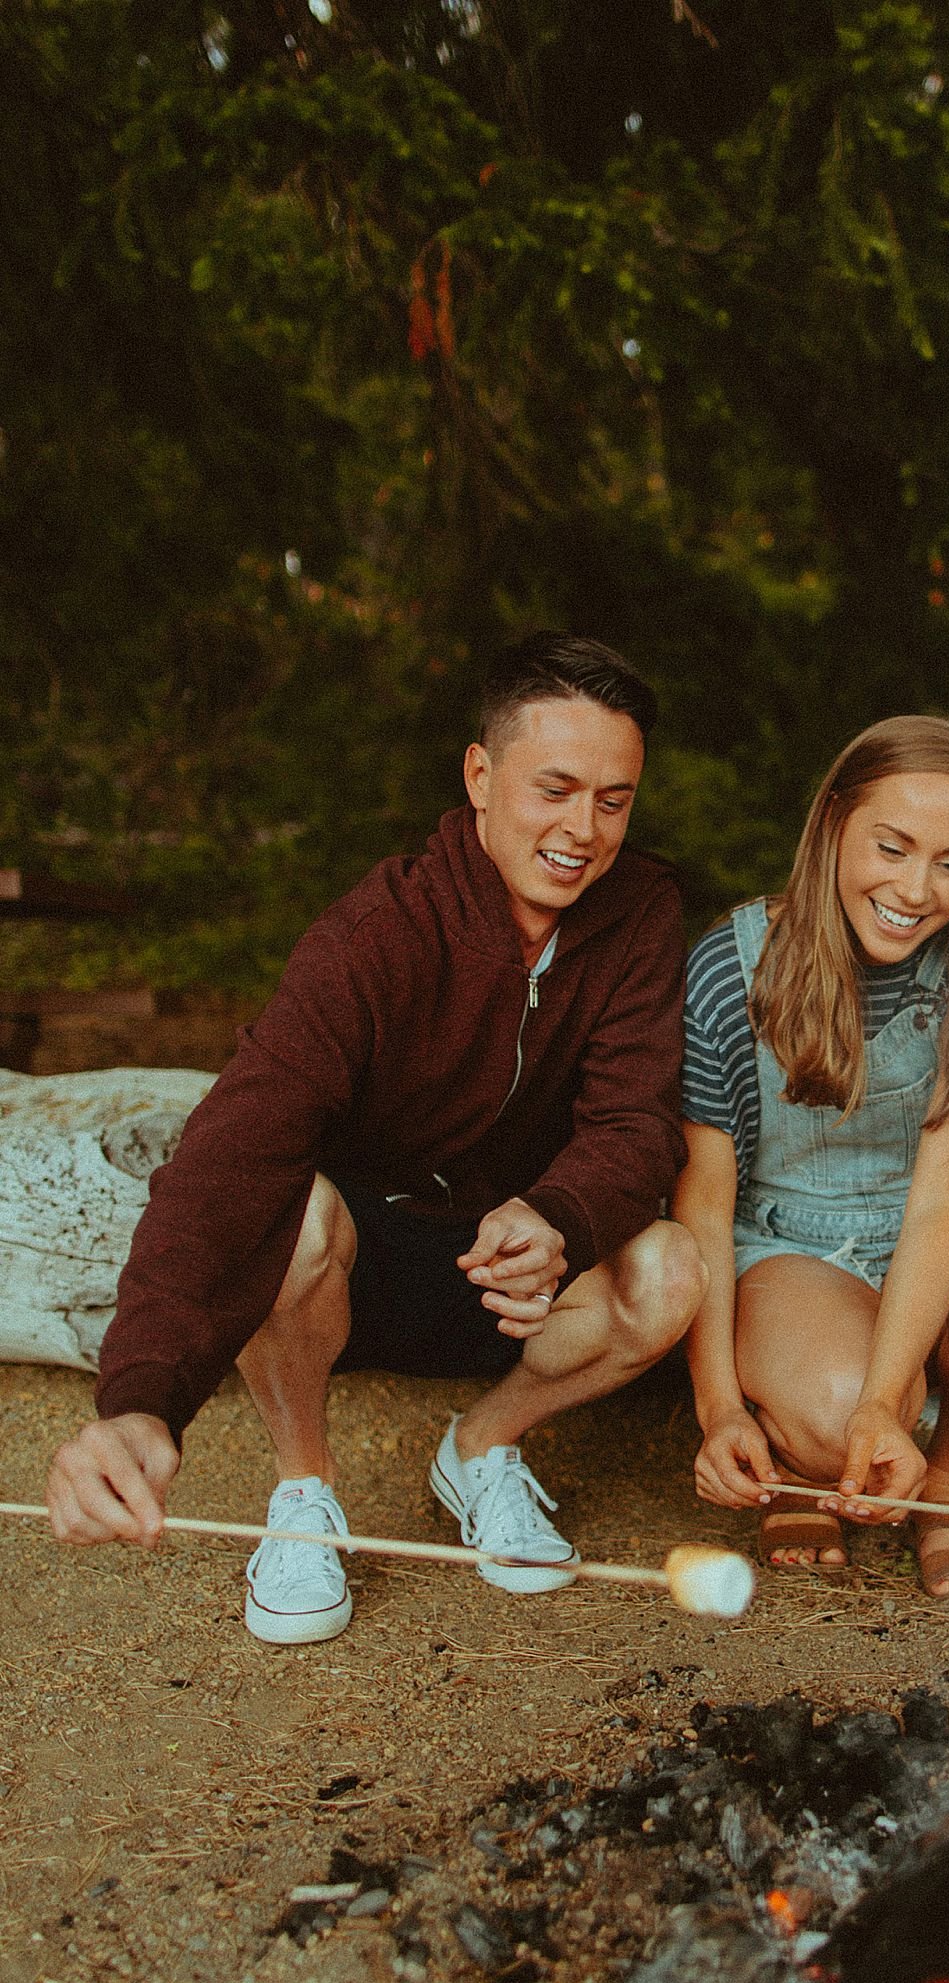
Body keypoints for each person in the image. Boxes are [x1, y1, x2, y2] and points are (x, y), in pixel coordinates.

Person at [44, 633, 705, 1643]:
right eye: (556, 789)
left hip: (517, 1270)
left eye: (613, 799)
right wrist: (141, 1400)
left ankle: (481, 1448)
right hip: (357, 1273)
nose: (584, 830)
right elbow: (230, 1154)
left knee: (669, 1269)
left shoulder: (643, 912)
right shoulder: (378, 934)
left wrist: (562, 1215)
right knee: (294, 1209)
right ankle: (304, 1496)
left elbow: (636, 1123)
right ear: (481, 776)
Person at [673, 715, 949, 1597]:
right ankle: (808, 1457)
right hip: (786, 1247)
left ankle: (948, 1482)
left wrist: (882, 1399)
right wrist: (721, 1411)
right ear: (832, 825)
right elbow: (702, 1209)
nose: (915, 888)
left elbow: (945, 1204)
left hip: (919, 1234)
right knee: (834, 1424)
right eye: (892, 847)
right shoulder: (730, 963)